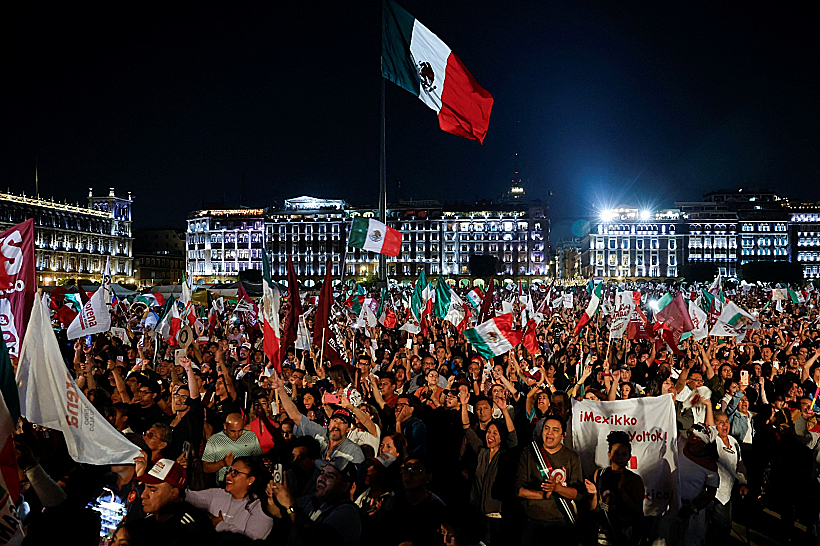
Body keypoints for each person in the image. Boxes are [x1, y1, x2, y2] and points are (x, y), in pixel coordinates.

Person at [460, 389, 518, 545]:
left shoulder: (506, 455)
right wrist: (464, 405)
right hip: (478, 510)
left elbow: (512, 436)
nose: (490, 435)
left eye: (495, 433)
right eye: (488, 432)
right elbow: (466, 428)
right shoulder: (481, 451)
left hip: (497, 514)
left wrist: (504, 410)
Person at [514, 415, 584, 545]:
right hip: (533, 521)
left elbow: (578, 494)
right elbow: (519, 490)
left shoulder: (571, 457)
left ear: (563, 435)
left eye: (555, 430)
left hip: (561, 522)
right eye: (546, 428)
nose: (549, 433)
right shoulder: (529, 454)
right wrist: (543, 494)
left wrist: (557, 488)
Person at [266, 456, 362, 546]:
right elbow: (280, 513)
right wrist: (272, 498)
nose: (321, 478)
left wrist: (290, 504)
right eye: (322, 473)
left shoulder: (348, 512)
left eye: (330, 476)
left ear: (344, 486)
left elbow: (319, 539)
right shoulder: (312, 500)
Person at [273, 374, 365, 463]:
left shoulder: (354, 451)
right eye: (335, 420)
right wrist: (281, 390)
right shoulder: (321, 434)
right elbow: (295, 416)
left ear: (348, 429)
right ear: (329, 424)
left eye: (342, 422)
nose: (336, 425)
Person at [184, 456, 273, 540]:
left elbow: (250, 543)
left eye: (235, 473)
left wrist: (219, 524)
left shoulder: (261, 507)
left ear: (250, 480)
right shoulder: (218, 494)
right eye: (229, 471)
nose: (228, 476)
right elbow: (187, 496)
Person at [584, 430, 645, 546]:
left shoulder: (634, 480)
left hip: (625, 535)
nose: (619, 458)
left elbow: (637, 512)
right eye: (616, 453)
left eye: (623, 454)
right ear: (609, 454)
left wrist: (621, 491)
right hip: (603, 534)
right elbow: (593, 509)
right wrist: (593, 494)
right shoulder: (599, 474)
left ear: (629, 456)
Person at [133, 458, 213, 543]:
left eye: (152, 489)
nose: (143, 495)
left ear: (174, 493)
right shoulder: (149, 519)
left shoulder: (190, 527)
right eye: (144, 488)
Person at [379, 456, 446, 546]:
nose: (409, 475)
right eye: (406, 469)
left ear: (428, 477)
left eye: (416, 470)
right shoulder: (392, 502)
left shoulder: (437, 507)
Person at [706, 411, 749, 544]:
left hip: (726, 493)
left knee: (724, 529)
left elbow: (739, 465)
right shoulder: (712, 441)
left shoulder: (733, 441)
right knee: (707, 529)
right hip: (710, 493)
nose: (725, 425)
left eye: (726, 422)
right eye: (720, 422)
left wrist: (743, 482)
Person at [677, 423, 719, 546]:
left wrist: (693, 508)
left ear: (704, 443)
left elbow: (711, 493)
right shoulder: (682, 444)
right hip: (672, 504)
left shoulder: (710, 466)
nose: (690, 439)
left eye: (696, 437)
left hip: (691, 512)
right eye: (690, 434)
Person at [201, 412, 263, 485]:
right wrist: (223, 463)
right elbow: (205, 468)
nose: (237, 435)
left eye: (240, 430)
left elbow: (259, 460)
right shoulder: (215, 440)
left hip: (247, 485)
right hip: (224, 484)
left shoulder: (250, 437)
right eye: (233, 431)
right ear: (225, 426)